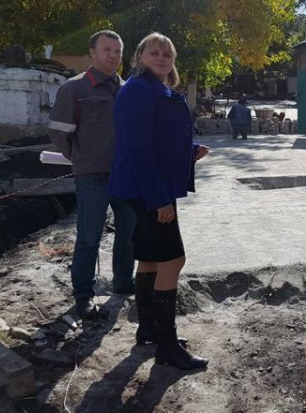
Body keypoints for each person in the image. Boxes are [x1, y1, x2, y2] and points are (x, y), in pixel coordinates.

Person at [108, 32, 209, 370]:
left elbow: (157, 142)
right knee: (173, 260)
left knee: (150, 259)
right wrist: (159, 199)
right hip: (148, 191)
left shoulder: (156, 90)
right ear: (139, 57)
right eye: (155, 53)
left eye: (167, 54)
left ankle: (149, 330)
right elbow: (137, 150)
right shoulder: (138, 91)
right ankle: (167, 347)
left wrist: (189, 155)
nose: (162, 58)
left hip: (149, 188)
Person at [48, 30, 136, 320]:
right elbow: (60, 133)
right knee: (89, 238)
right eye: (107, 50)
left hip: (125, 177)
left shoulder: (125, 88)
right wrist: (81, 158)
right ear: (92, 53)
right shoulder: (75, 88)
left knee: (129, 233)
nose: (113, 56)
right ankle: (83, 296)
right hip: (92, 177)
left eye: (117, 52)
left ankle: (124, 282)